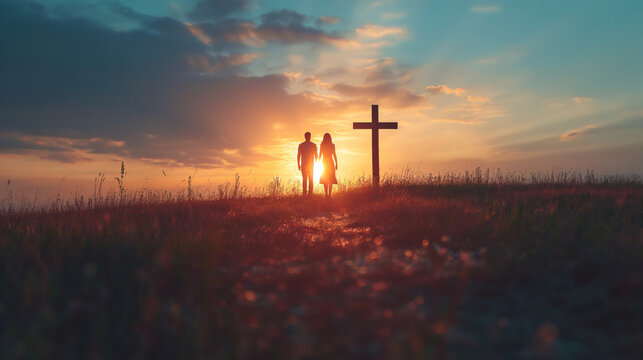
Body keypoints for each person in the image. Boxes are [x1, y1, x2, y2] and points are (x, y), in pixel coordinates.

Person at [319, 133, 338, 198]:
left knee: (330, 178)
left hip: (328, 162)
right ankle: (327, 194)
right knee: (326, 178)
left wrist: (336, 163)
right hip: (326, 162)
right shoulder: (323, 145)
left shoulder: (331, 145)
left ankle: (328, 194)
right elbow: (320, 154)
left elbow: (334, 154)